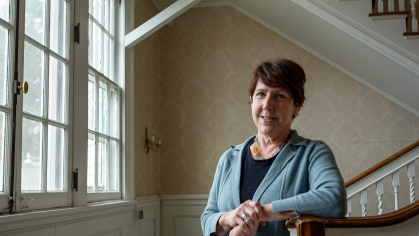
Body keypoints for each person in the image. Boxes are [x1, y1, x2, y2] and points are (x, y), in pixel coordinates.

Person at [201, 58, 346, 236]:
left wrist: (260, 212)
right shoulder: (228, 158)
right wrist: (229, 218)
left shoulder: (312, 153)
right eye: (260, 94)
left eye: (279, 96)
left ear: (297, 105)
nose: (267, 105)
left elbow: (334, 200)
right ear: (251, 100)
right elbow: (207, 218)